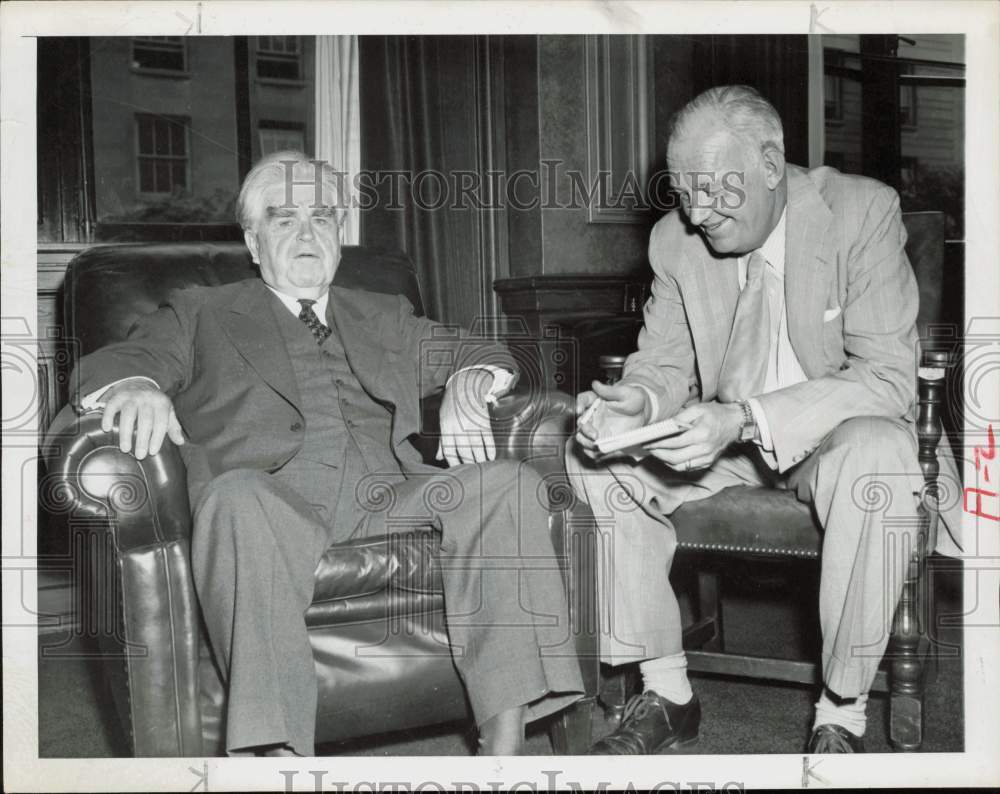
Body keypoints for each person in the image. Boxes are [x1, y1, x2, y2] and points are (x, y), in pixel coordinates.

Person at [73, 151, 583, 756]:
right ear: (254, 241)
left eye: (322, 217)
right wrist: (136, 387)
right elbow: (118, 362)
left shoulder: (381, 314)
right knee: (237, 498)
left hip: (388, 495)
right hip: (269, 504)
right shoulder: (202, 312)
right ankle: (283, 756)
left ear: (340, 233)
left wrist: (475, 378)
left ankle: (503, 750)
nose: (308, 233)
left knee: (509, 485)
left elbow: (479, 350)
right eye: (284, 219)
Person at [566, 85, 962, 754]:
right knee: (590, 461)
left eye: (715, 190)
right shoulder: (675, 240)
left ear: (772, 166)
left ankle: (842, 714)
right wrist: (638, 400)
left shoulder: (858, 213)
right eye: (684, 192)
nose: (697, 213)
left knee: (879, 454)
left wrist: (747, 418)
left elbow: (888, 380)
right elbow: (662, 365)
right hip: (724, 440)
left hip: (834, 435)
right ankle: (666, 690)